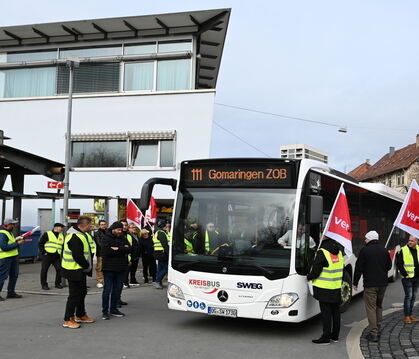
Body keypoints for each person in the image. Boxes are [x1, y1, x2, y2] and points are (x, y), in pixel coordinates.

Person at [353, 230, 392, 342]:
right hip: (383, 284)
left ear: (370, 239)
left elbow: (358, 268)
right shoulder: (384, 250)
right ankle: (378, 329)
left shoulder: (365, 250)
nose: (364, 240)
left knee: (371, 308)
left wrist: (355, 282)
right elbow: (389, 266)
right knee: (379, 306)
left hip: (370, 285)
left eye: (365, 238)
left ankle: (373, 333)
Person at [307, 236, 344, 345]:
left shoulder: (322, 252)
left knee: (326, 314)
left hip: (324, 288)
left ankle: (325, 338)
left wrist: (309, 277)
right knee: (336, 312)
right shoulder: (339, 252)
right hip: (336, 287)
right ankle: (335, 336)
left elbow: (316, 270)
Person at [61, 216, 95, 329]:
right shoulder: (75, 236)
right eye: (90, 224)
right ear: (84, 225)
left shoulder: (81, 234)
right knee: (74, 295)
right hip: (73, 269)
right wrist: (86, 265)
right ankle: (68, 319)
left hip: (79, 269)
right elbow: (77, 256)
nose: (91, 226)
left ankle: (80, 315)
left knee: (82, 292)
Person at [101, 221, 131, 320]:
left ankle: (113, 309)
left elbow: (130, 249)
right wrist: (122, 249)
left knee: (117, 289)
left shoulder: (123, 237)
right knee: (107, 290)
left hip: (121, 268)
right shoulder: (106, 238)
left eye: (121, 229)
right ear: (113, 229)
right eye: (118, 229)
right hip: (108, 268)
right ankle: (105, 311)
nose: (120, 231)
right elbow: (106, 252)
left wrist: (117, 249)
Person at [0, 218, 25, 301]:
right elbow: (4, 247)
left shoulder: (8, 232)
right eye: (13, 224)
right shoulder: (2, 233)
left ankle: (11, 293)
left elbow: (10, 243)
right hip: (5, 258)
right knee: (2, 276)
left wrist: (16, 240)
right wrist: (17, 243)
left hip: (12, 257)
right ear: (7, 225)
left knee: (14, 275)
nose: (14, 226)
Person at [396, 235, 419, 324]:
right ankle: (406, 316)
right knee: (408, 296)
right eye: (409, 240)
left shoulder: (418, 249)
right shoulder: (403, 250)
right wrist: (405, 275)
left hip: (417, 278)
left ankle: (410, 315)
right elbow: (399, 264)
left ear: (416, 241)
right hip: (407, 278)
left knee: (413, 297)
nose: (410, 242)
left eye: (412, 241)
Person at [38, 223, 64, 290]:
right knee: (44, 270)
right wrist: (44, 252)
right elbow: (40, 243)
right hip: (47, 255)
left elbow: (62, 245)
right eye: (61, 227)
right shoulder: (47, 233)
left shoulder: (61, 235)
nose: (62, 229)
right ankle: (44, 285)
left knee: (59, 269)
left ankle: (57, 284)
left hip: (57, 256)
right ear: (56, 227)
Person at [153, 220, 171, 289]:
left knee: (160, 268)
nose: (167, 226)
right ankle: (157, 281)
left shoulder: (160, 232)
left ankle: (159, 282)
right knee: (166, 268)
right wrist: (169, 254)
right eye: (166, 225)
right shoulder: (161, 233)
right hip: (162, 253)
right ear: (164, 226)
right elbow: (165, 245)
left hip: (159, 253)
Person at [93, 220, 107, 289]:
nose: (103, 225)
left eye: (104, 224)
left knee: (107, 267)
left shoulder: (108, 232)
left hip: (108, 253)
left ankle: (106, 281)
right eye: (101, 224)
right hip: (100, 253)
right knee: (100, 267)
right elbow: (99, 243)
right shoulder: (97, 233)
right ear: (99, 225)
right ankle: (100, 281)